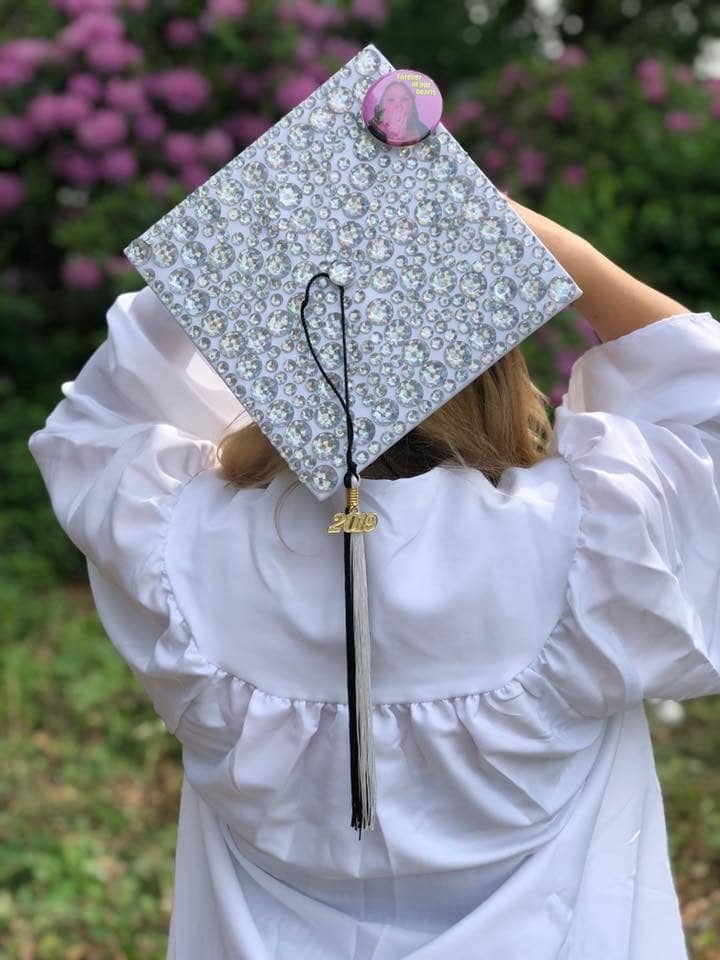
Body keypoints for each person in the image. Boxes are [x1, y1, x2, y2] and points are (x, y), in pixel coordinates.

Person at [28, 197, 720, 959]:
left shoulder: (190, 550)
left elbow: (93, 428)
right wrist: (557, 248)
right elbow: (706, 404)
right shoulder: (591, 541)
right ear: (494, 364)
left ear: (281, 369)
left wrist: (262, 222)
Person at [367, 79, 430, 145]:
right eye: (391, 100)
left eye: (404, 99)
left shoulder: (424, 131)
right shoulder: (373, 131)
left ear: (412, 105)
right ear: (381, 106)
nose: (398, 105)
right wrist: (393, 137)